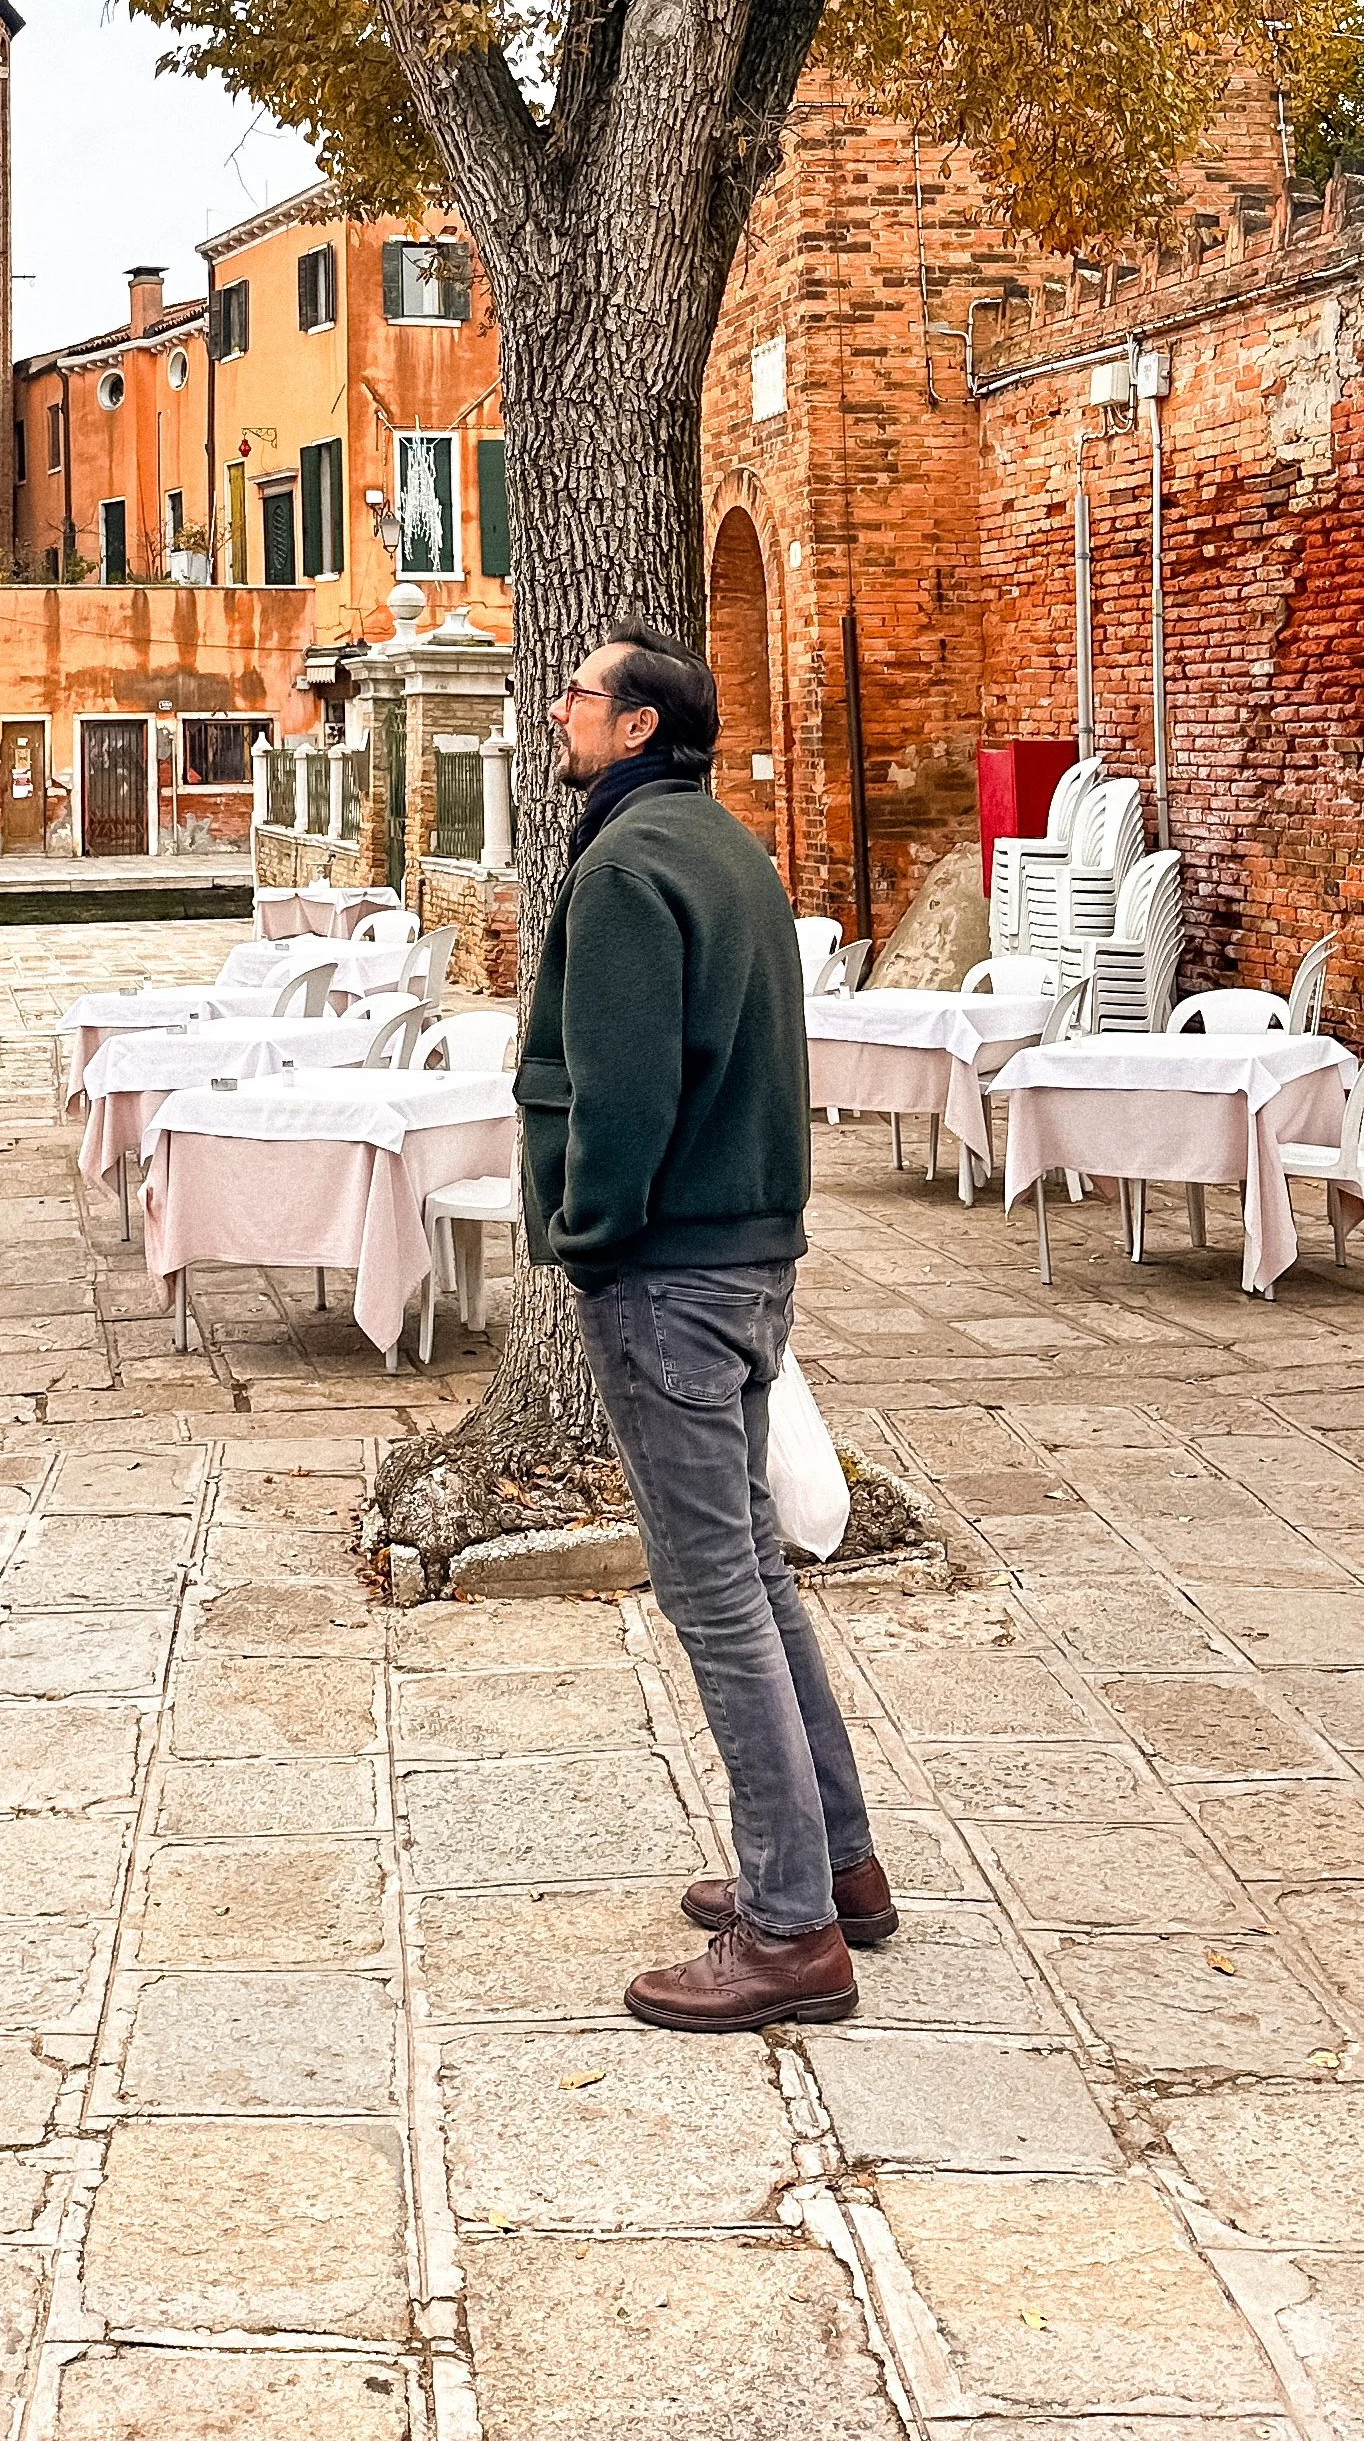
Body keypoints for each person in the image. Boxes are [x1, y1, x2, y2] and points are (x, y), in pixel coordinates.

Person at [518, 619, 895, 2034]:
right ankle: (838, 1869)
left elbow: (618, 1098)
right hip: (749, 1254)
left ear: (635, 730)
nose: (560, 710)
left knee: (715, 1591)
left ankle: (793, 1930)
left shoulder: (626, 871)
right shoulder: (732, 851)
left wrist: (588, 1235)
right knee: (750, 1566)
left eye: (581, 696)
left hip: (668, 1268)